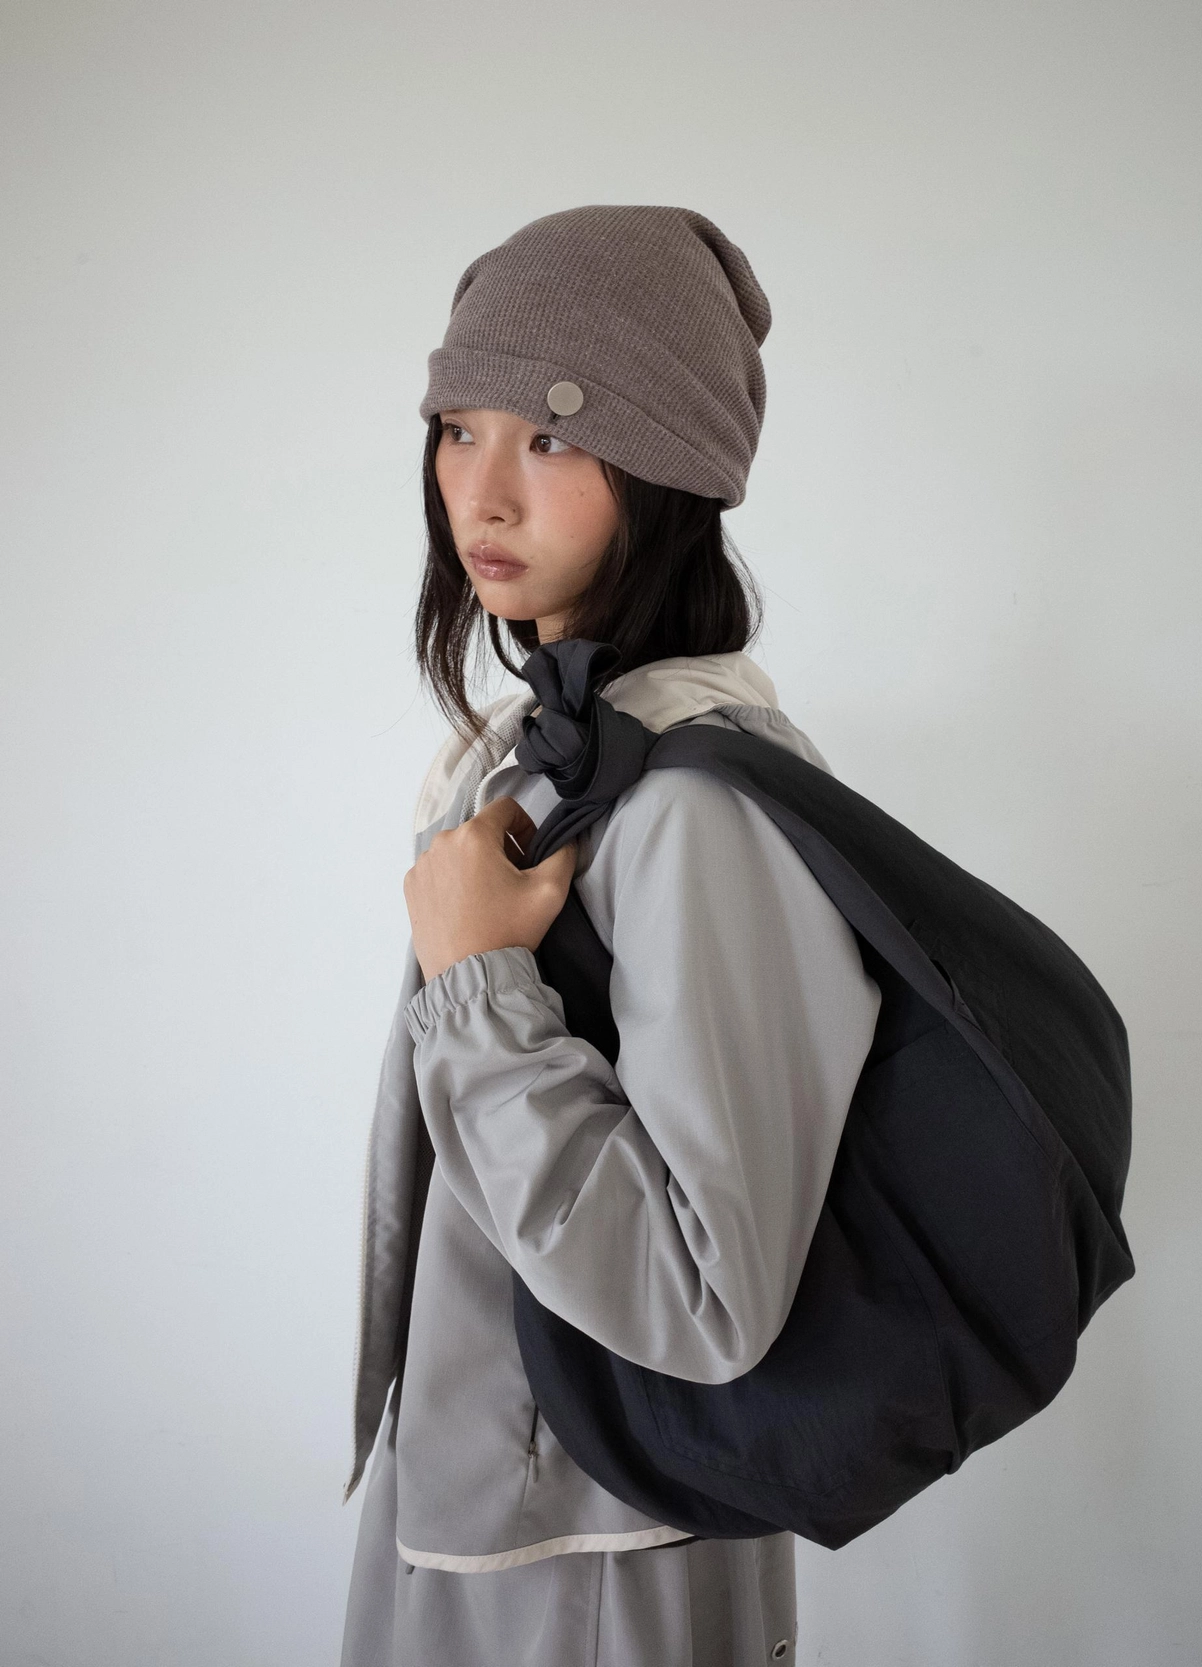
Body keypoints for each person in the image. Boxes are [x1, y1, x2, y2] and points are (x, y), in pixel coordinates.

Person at [339, 205, 883, 1667]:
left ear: (669, 468)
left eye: (553, 437)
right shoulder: (542, 760)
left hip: (594, 1553)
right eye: (459, 428)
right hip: (492, 1494)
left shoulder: (700, 804)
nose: (483, 492)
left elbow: (707, 1299)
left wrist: (476, 985)